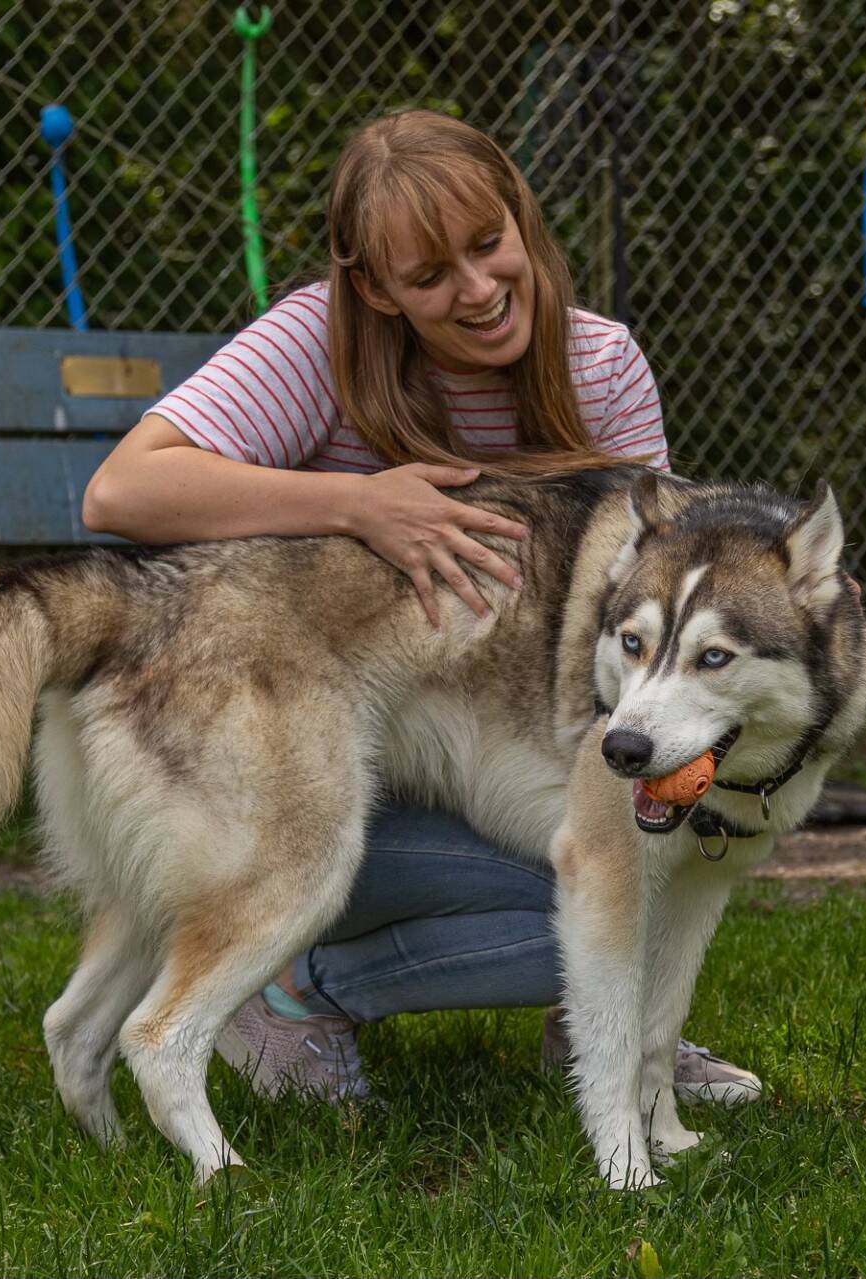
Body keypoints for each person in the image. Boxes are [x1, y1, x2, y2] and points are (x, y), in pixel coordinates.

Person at [80, 109, 762, 1108]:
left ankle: (607, 1035)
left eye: (489, 247)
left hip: (491, 746)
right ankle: (292, 986)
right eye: (433, 275)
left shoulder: (601, 361)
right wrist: (358, 502)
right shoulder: (319, 340)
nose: (480, 291)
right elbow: (122, 492)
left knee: (650, 859)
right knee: (578, 900)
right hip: (308, 753)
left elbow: (651, 602)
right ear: (375, 288)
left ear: (521, 220)